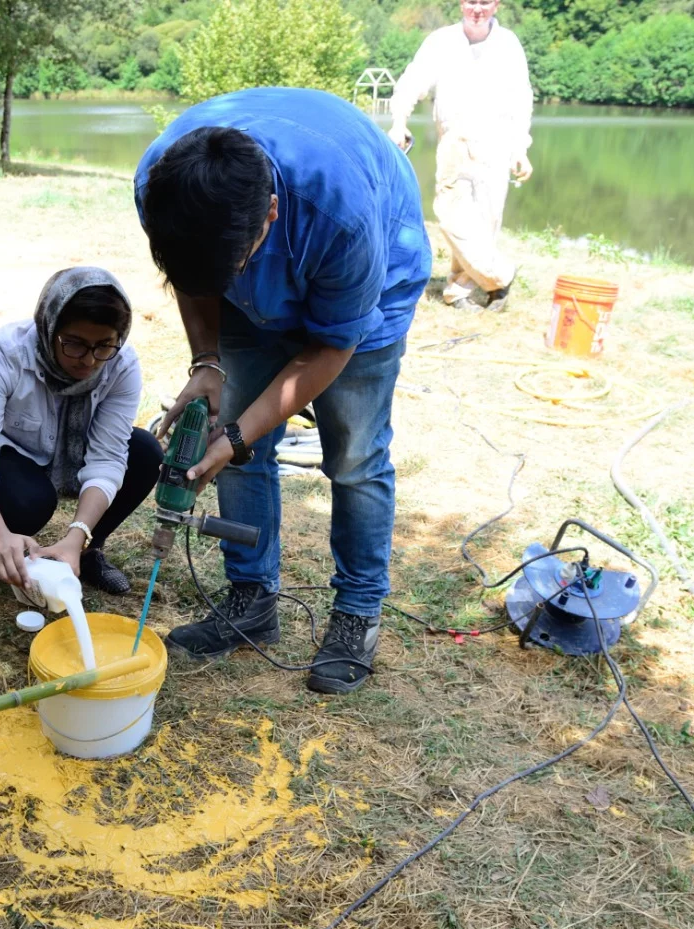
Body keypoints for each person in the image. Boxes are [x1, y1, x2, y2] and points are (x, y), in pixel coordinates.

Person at [134, 87, 431, 695]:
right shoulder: (162, 182)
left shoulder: (340, 217)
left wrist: (243, 431)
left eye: (233, 265)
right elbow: (193, 274)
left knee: (354, 455)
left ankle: (357, 612)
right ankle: (251, 600)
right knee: (231, 439)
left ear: (269, 214)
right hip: (246, 262)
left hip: (367, 275)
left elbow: (329, 349)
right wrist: (208, 363)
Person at [0, 267, 161, 595]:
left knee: (143, 453)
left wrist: (77, 534)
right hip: (7, 454)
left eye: (103, 346)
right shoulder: (5, 353)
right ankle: (8, 544)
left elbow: (108, 458)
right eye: (75, 344)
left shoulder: (121, 364)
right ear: (49, 325)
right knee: (29, 500)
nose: (89, 360)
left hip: (67, 453)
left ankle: (84, 551)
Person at [388, 0, 533, 312]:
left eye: (484, 2)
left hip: (497, 141)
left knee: (487, 219)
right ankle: (500, 276)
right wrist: (399, 121)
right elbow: (412, 81)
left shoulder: (508, 44)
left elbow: (522, 98)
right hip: (454, 138)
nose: (477, 9)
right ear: (461, 4)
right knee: (451, 215)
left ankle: (464, 289)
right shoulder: (441, 41)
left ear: (496, 5)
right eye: (470, 1)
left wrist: (521, 148)